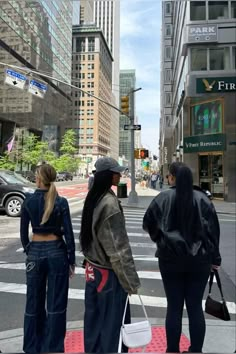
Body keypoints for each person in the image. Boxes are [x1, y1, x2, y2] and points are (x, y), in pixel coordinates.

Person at [143, 162, 221, 353]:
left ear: (172, 177)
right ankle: (196, 350)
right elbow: (213, 232)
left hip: (170, 259)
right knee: (195, 307)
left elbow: (148, 223)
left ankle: (172, 350)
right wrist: (215, 259)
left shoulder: (163, 198)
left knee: (174, 306)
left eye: (169, 176)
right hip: (200, 261)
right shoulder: (203, 199)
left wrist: (160, 239)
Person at [80, 157, 140, 353]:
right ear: (108, 175)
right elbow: (119, 249)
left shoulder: (93, 198)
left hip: (92, 271)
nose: (120, 175)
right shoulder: (109, 204)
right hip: (108, 275)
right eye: (116, 172)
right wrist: (130, 282)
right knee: (113, 326)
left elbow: (87, 238)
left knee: (93, 323)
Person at [20, 164, 76, 354]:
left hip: (35, 252)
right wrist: (71, 260)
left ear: (38, 178)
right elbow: (69, 234)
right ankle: (53, 348)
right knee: (56, 304)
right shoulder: (61, 202)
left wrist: (30, 250)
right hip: (57, 253)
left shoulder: (28, 200)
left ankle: (32, 347)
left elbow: (23, 235)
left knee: (32, 303)